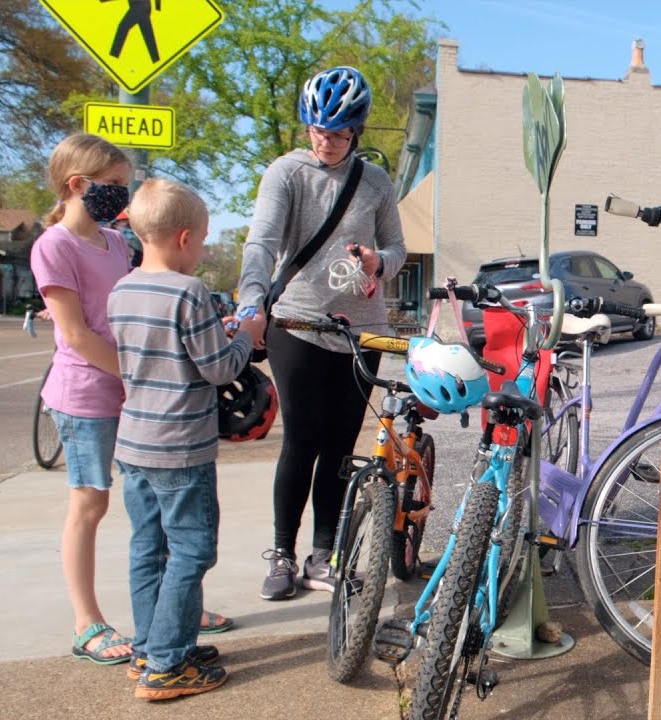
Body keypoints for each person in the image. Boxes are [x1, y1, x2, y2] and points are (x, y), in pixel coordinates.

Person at [236, 66, 406, 600]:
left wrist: (379, 262)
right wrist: (249, 301)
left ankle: (323, 553)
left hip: (361, 331)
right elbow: (261, 241)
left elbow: (397, 249)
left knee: (339, 447)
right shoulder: (286, 173)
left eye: (336, 133)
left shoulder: (376, 182)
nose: (324, 141)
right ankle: (283, 552)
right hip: (298, 323)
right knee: (303, 440)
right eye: (316, 129)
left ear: (356, 131)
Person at [108, 178, 265, 699]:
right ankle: (169, 665)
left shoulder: (122, 289)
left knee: (147, 548)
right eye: (201, 241)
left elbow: (160, 351)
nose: (200, 250)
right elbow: (219, 370)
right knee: (192, 551)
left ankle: (149, 647)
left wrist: (212, 332)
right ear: (181, 238)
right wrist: (246, 333)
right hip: (180, 447)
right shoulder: (190, 291)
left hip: (133, 444)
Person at [30, 132, 136, 665]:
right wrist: (133, 375)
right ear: (78, 185)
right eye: (115, 185)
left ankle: (172, 599)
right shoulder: (54, 246)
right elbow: (74, 334)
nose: (123, 195)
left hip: (126, 389)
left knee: (152, 494)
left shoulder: (116, 243)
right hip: (85, 392)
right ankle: (86, 623)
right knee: (89, 502)